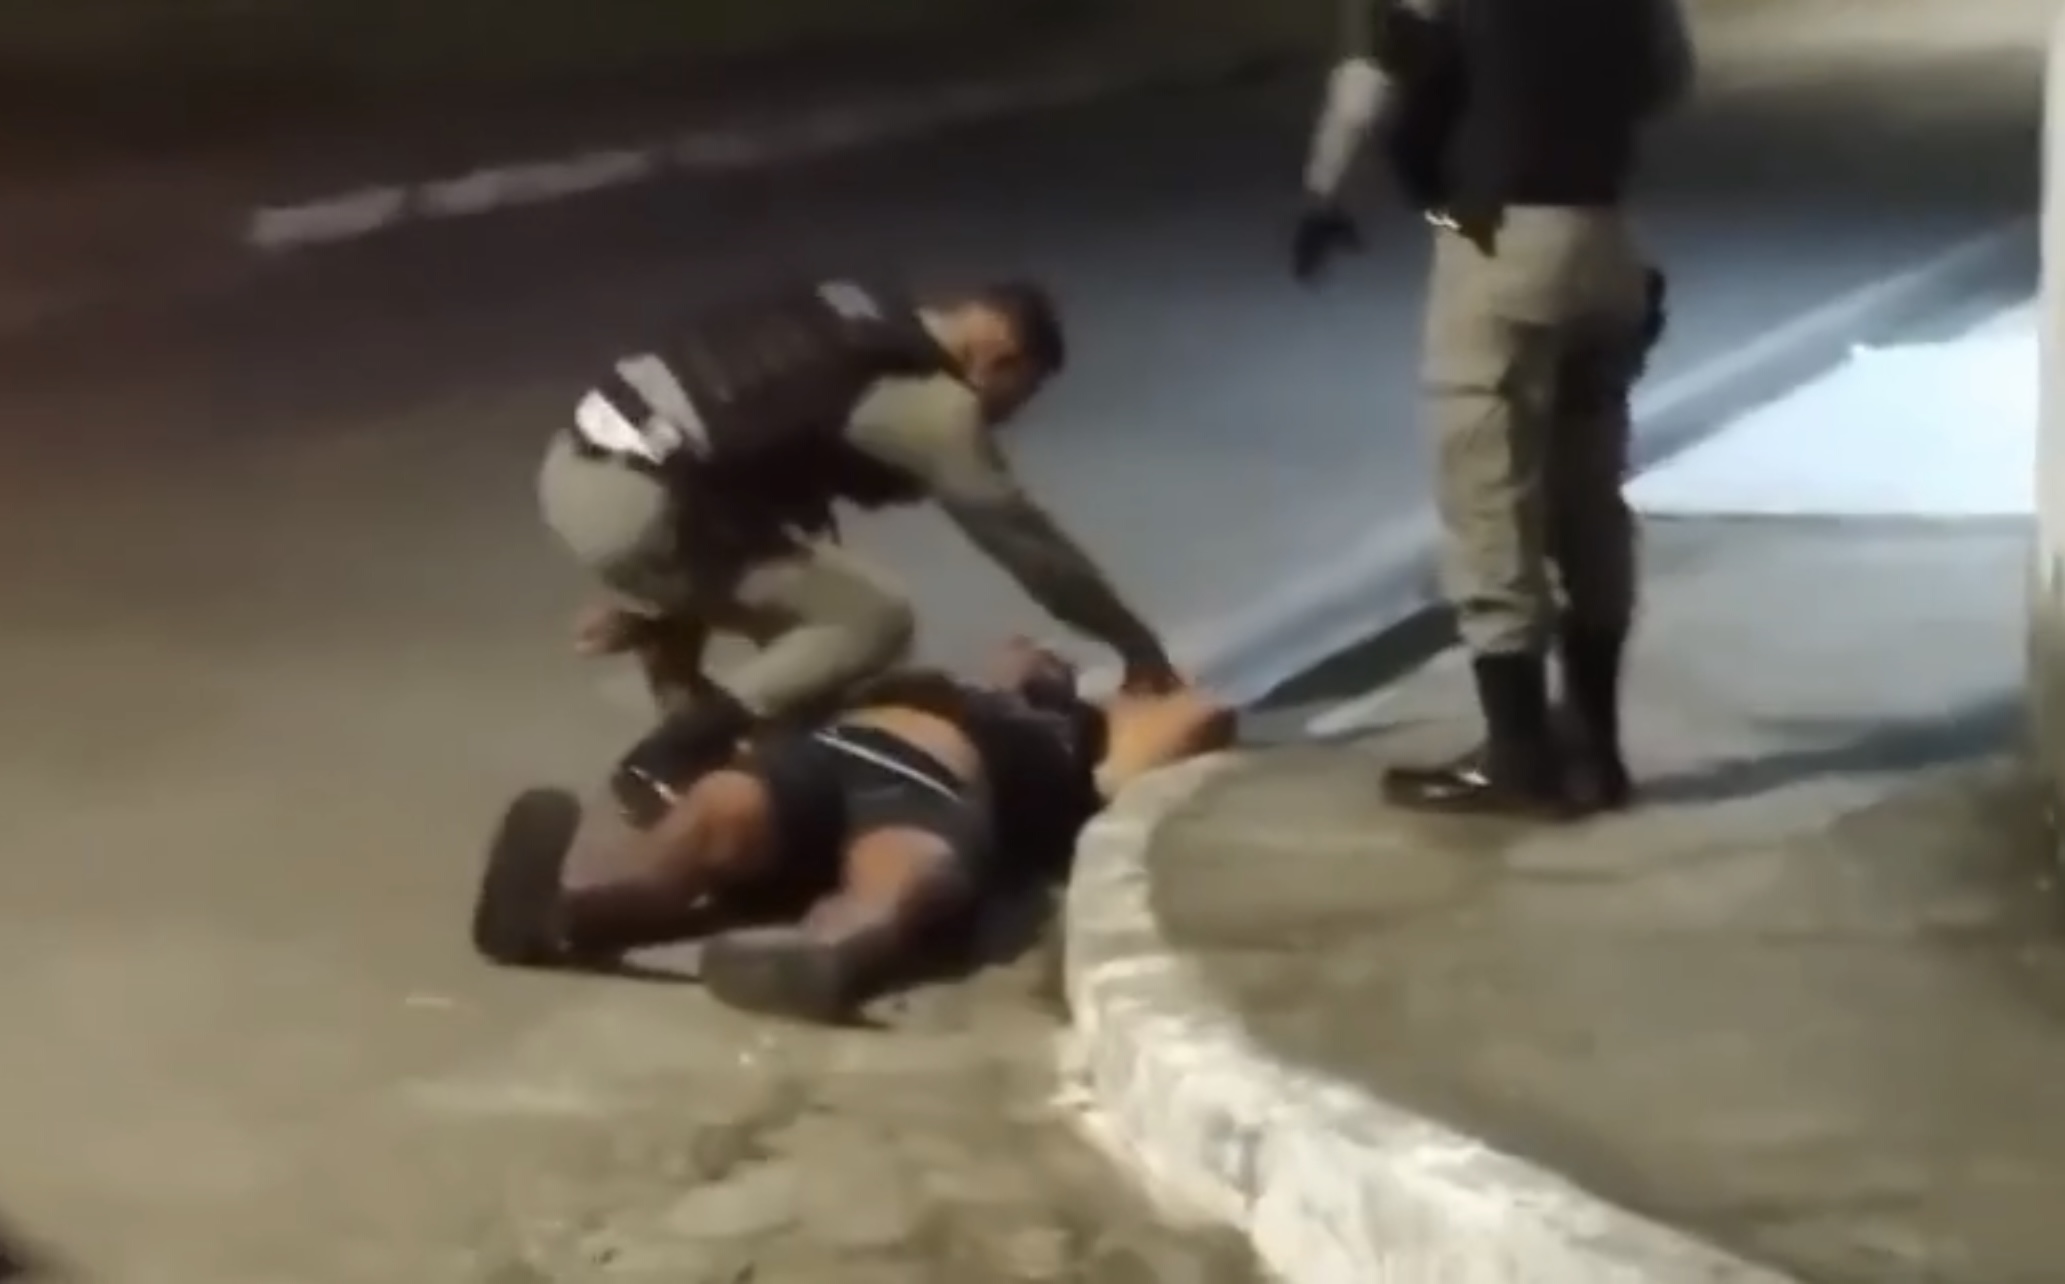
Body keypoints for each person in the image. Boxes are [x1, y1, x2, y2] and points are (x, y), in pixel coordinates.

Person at [537, 277, 1183, 829]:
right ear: (1002, 360)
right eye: (1019, 397)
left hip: (575, 466)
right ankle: (666, 756)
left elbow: (721, 437)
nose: (1006, 420)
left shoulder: (854, 316)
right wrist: (1135, 644)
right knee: (872, 618)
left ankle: (673, 660)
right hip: (640, 512)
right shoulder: (933, 405)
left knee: (803, 623)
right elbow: (1031, 548)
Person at [1288, 0, 1693, 817]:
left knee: (1488, 501)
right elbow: (1667, 79)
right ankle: (1596, 749)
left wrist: (1323, 195)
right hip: (1605, 236)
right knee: (1589, 498)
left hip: (1496, 236)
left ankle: (1517, 756)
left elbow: (1371, 81)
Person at [470, 643, 1234, 1023]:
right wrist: (1027, 669)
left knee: (890, 861)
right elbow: (1018, 660)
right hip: (838, 755)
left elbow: (1202, 715)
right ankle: (566, 906)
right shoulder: (987, 696)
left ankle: (824, 948)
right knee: (716, 815)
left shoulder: (1081, 737)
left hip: (916, 770)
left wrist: (1141, 684)